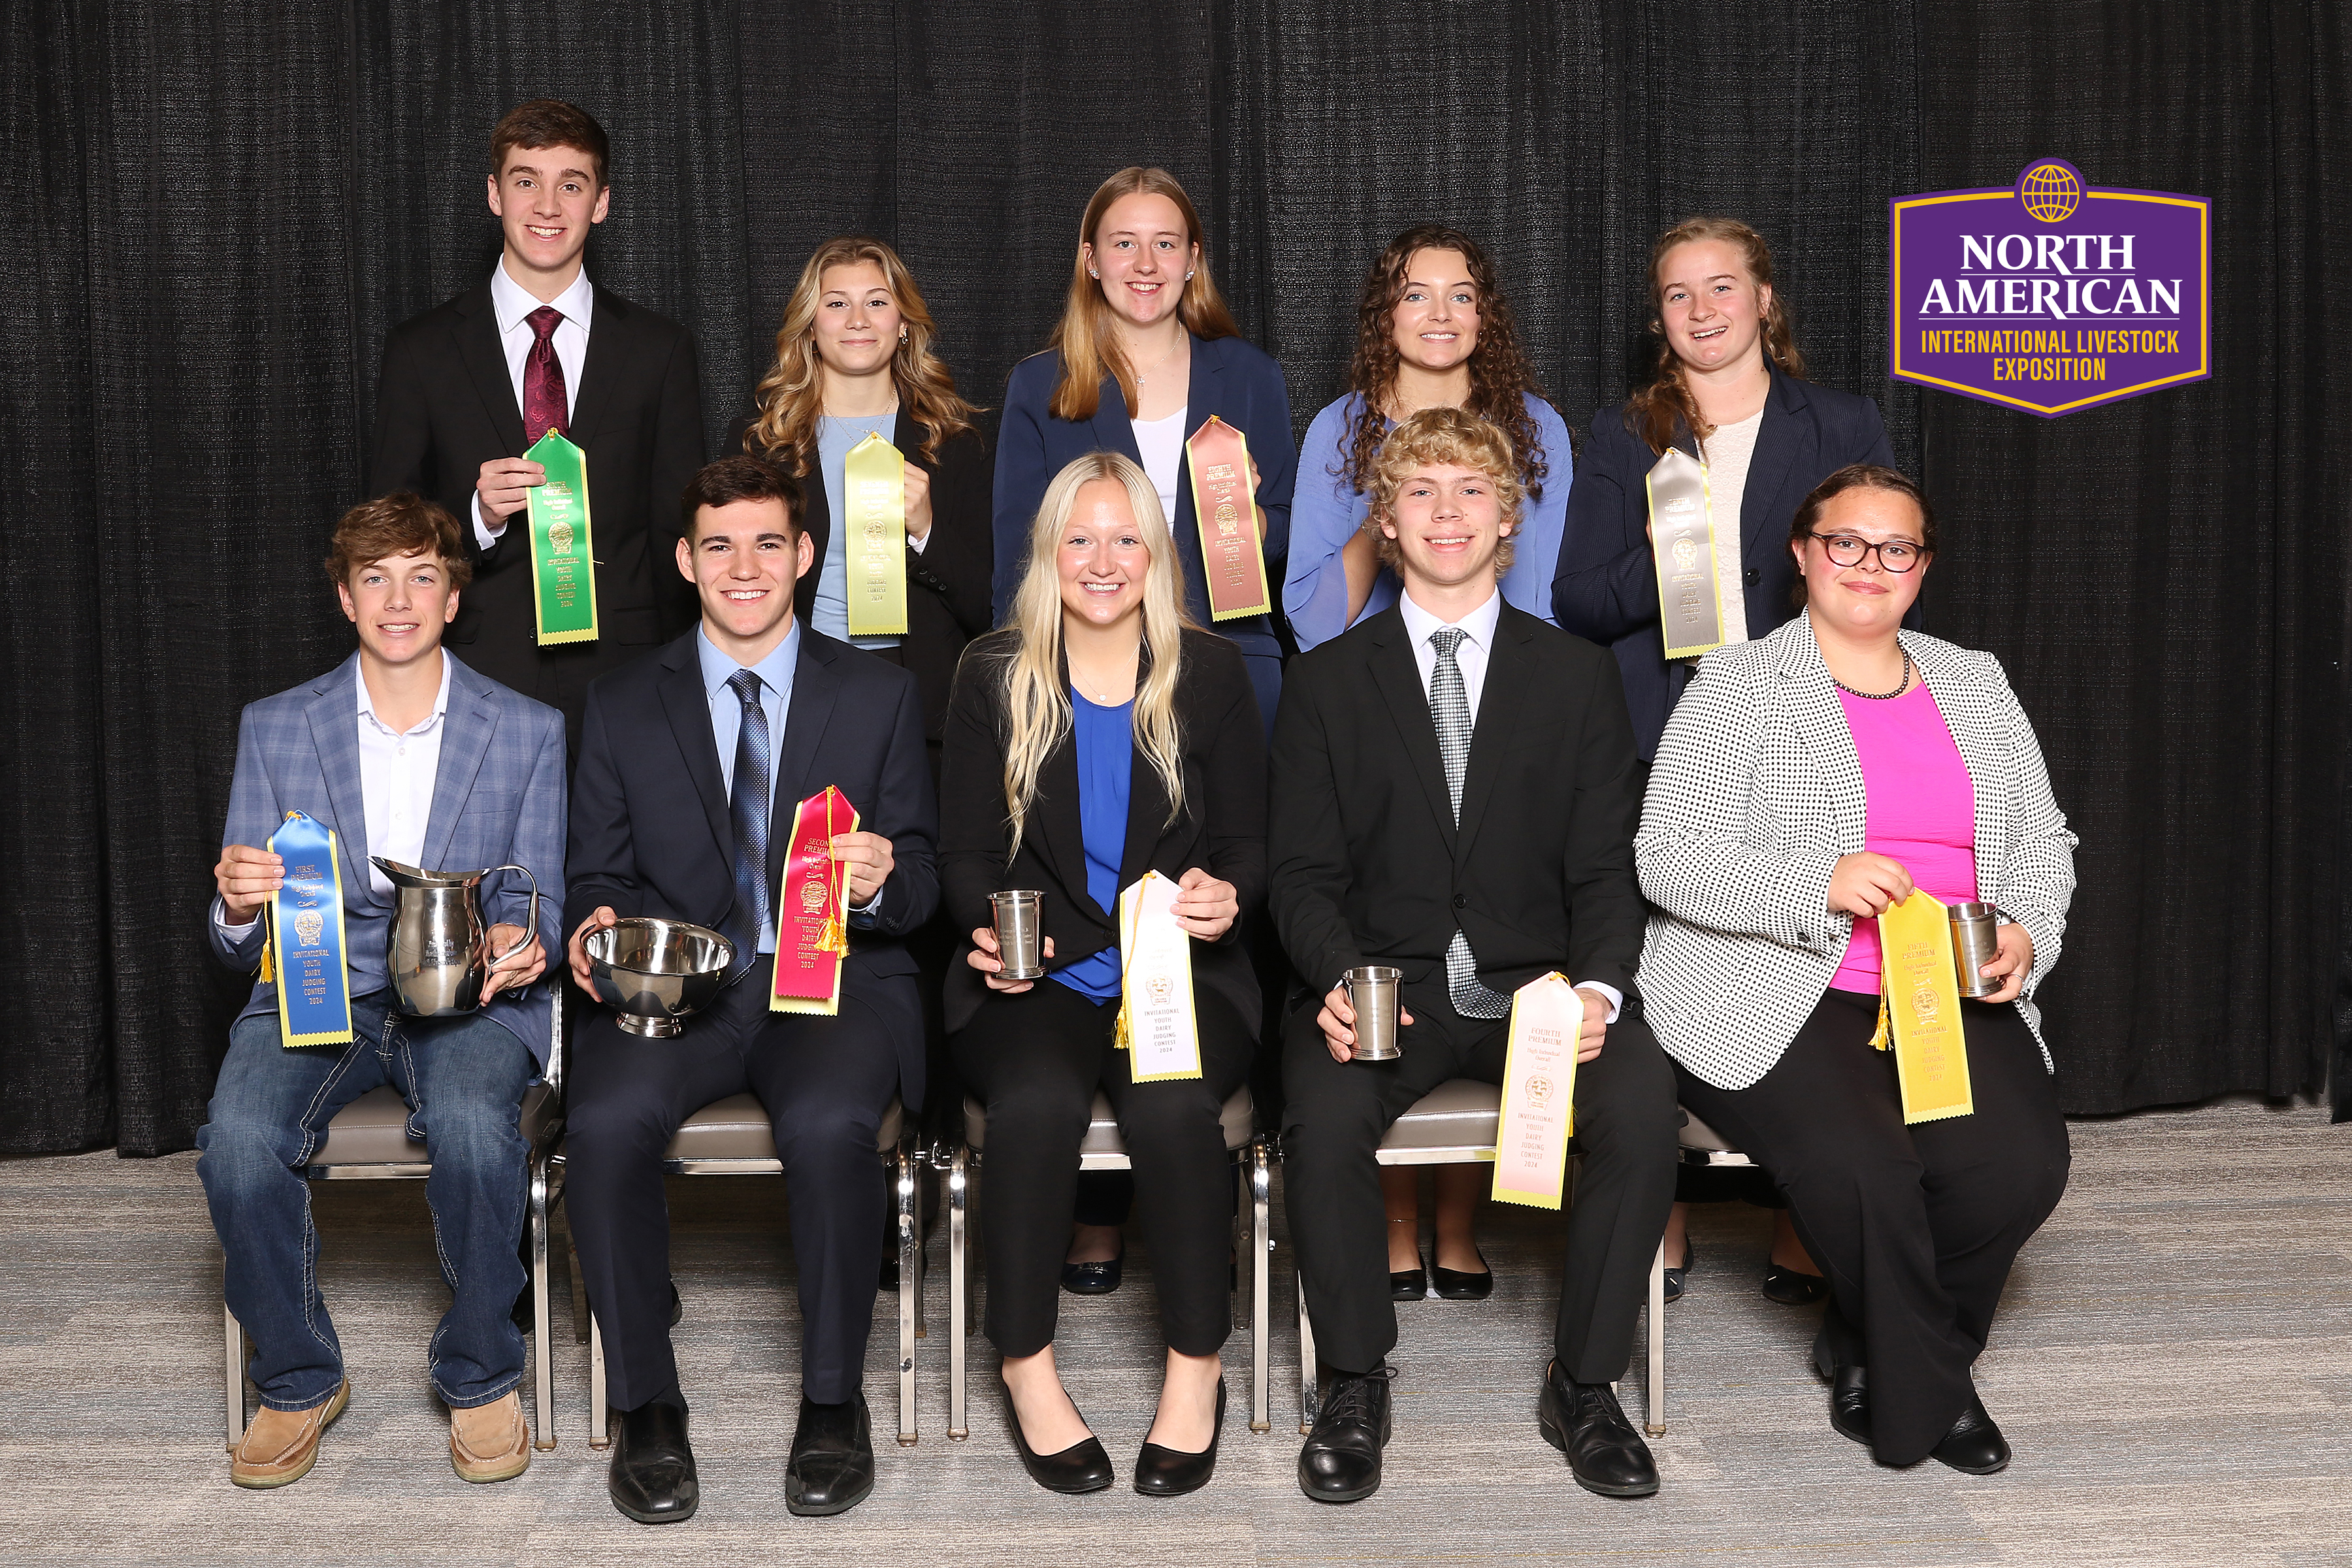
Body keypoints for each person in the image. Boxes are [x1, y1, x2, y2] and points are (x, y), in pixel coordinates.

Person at [1269, 408, 1678, 1503]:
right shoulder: (1323, 681)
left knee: (1642, 1110)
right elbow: (1298, 877)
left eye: (1470, 490)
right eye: (1419, 491)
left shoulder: (1579, 679)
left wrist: (1598, 989)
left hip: (1537, 985)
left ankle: (1586, 1385)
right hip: (1380, 981)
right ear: (1387, 522)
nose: (1447, 511)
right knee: (1320, 1115)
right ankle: (1353, 1380)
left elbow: (1604, 870)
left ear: (1509, 516)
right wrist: (1341, 983)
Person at [1635, 464, 2075, 1474]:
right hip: (1780, 982)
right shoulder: (1738, 683)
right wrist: (1814, 882)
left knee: (2017, 1170)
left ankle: (1868, 1342)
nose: (1870, 565)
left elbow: (2046, 843)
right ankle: (1927, 1396)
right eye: (1846, 542)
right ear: (1803, 554)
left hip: (1947, 978)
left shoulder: (1975, 680)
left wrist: (2026, 932)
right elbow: (1670, 854)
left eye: (1897, 547)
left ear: (1922, 566)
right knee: (1865, 1170)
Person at [560, 455, 938, 1524]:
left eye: (769, 542)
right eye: (718, 545)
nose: (744, 566)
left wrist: (882, 877)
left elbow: (924, 883)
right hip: (684, 986)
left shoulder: (879, 693)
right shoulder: (625, 702)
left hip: (839, 982)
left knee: (828, 1123)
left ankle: (832, 1402)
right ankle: (646, 1403)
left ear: (805, 554)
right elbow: (597, 872)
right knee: (603, 1115)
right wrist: (592, 921)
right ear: (685, 561)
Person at [197, 494, 565, 1490]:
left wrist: (522, 940)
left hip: (465, 998)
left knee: (481, 1132)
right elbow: (238, 932)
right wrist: (235, 905)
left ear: (453, 596)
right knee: (234, 1142)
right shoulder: (276, 726)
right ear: (346, 597)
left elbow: (541, 895)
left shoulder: (528, 730)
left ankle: (483, 1369)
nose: (398, 599)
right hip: (314, 991)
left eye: (421, 576)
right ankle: (298, 1375)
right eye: (375, 578)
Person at [1553, 214, 1891, 1299]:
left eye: (1721, 288)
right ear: (1660, 319)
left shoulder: (1839, 421)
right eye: (1678, 295)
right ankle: (1664, 1203)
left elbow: (1875, 570)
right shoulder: (1626, 431)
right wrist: (1668, 552)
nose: (1701, 311)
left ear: (1763, 301)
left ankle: (1804, 1210)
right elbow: (1577, 600)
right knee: (1661, 970)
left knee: (1814, 959)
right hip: (1665, 732)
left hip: (1804, 731)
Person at [941, 451, 1266, 1497]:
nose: (1103, 559)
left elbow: (1254, 844)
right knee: (1033, 1105)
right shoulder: (991, 671)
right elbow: (962, 856)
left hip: (1180, 972)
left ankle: (1194, 1369)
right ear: (1048, 553)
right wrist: (987, 928)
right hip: (1041, 974)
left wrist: (1227, 895)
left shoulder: (1212, 672)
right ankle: (1026, 1365)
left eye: (1127, 537)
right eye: (1079, 537)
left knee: (1174, 1112)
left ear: (1158, 555)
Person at [1284, 223, 1573, 1299]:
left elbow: (1535, 599)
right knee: (1399, 943)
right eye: (1417, 294)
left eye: (1463, 293)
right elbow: (1312, 618)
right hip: (1378, 718)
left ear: (1485, 315)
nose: (1441, 313)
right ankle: (1397, 1216)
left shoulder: (1536, 429)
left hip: (1507, 719)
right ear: (1387, 315)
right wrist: (1387, 497)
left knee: (1493, 948)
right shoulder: (1339, 431)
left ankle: (1461, 1217)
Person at [369, 98, 706, 747]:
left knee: (613, 855)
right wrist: (476, 517)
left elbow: (679, 527)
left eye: (570, 185)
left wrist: (682, 672)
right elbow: (385, 528)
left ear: (600, 203)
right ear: (495, 194)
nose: (547, 206)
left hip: (625, 675)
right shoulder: (423, 349)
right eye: (526, 181)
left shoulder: (659, 350)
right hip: (471, 669)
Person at [992, 165, 1295, 732]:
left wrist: (1249, 522)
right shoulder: (1040, 386)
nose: (1146, 264)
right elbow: (1017, 555)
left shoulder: (1253, 377)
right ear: (1092, 260)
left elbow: (1286, 530)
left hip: (1230, 659)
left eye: (1165, 243)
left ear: (1192, 258)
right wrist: (1021, 681)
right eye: (1124, 243)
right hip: (1083, 672)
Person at [730, 236, 992, 779]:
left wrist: (926, 531)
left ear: (903, 324)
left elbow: (993, 606)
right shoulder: (762, 446)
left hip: (924, 705)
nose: (857, 319)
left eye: (876, 301)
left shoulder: (955, 443)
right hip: (799, 691)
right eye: (835, 303)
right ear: (811, 325)